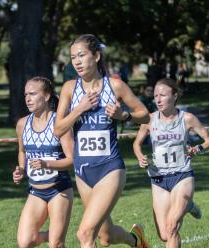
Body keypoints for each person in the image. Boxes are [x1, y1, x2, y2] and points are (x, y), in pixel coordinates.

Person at [54, 34, 150, 248]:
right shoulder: (70, 89)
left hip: (110, 168)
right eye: (73, 57)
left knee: (85, 233)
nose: (76, 62)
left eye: (81, 55)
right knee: (105, 237)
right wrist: (79, 109)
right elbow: (58, 129)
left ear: (96, 56)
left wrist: (123, 116)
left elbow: (145, 115)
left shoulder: (115, 86)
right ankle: (136, 241)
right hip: (83, 171)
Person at [133, 78, 209, 248]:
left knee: (172, 227)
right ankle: (189, 205)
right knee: (164, 234)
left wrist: (197, 149)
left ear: (174, 96)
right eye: (156, 95)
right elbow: (136, 143)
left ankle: (186, 204)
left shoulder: (188, 118)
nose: (158, 99)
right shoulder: (149, 119)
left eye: (163, 95)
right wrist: (140, 156)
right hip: (158, 178)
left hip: (182, 175)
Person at [12, 76, 74, 248]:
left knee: (55, 244)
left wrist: (47, 164)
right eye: (25, 95)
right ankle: (55, 234)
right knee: (25, 242)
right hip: (36, 192)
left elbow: (72, 160)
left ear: (46, 96)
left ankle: (56, 236)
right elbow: (22, 151)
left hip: (59, 189)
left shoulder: (60, 124)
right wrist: (22, 169)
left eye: (32, 94)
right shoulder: (22, 124)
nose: (27, 99)